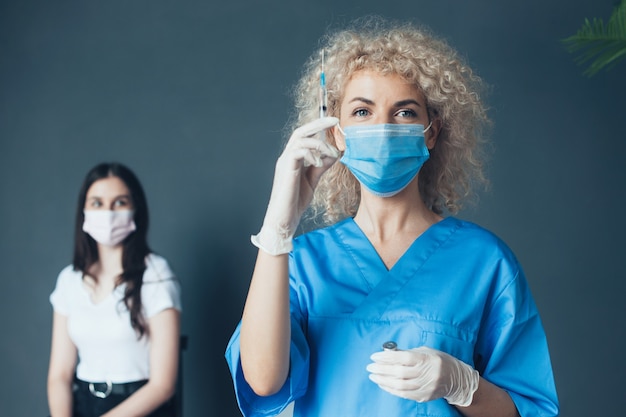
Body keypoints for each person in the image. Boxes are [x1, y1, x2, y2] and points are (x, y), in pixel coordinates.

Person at [225, 16, 559, 417]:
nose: (382, 128)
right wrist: (278, 228)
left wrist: (463, 385)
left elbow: (529, 411)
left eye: (404, 113)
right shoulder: (301, 261)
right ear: (336, 132)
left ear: (431, 132)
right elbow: (263, 381)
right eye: (362, 112)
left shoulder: (483, 261)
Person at [47, 162, 182, 417]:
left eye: (119, 202)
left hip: (139, 407)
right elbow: (59, 375)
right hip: (82, 403)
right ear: (84, 211)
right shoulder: (69, 280)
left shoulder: (156, 274)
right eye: (97, 203)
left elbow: (163, 385)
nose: (107, 213)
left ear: (135, 209)